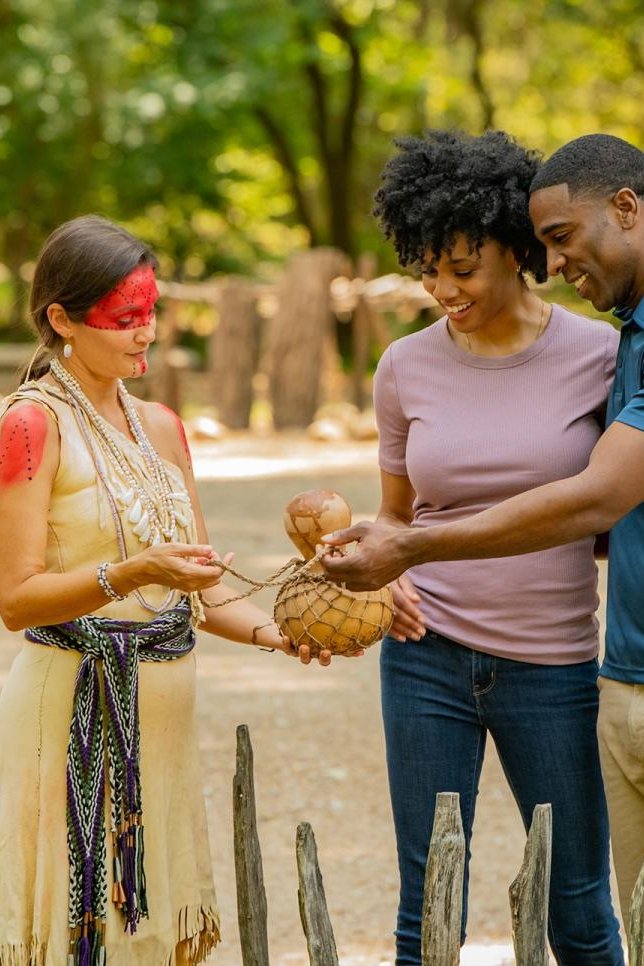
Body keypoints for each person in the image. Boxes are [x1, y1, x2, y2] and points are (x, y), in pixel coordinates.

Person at [322, 132, 644, 925]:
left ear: (514, 249)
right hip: (425, 659)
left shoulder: (603, 354)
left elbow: (605, 504)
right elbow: (398, 517)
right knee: (428, 897)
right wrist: (387, 569)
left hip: (556, 662)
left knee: (578, 903)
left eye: (460, 268)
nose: (441, 288)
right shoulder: (403, 367)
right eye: (426, 268)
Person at [0, 214, 334, 965]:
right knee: (74, 929)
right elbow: (15, 599)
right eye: (124, 319)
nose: (144, 333)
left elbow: (202, 589)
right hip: (68, 715)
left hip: (165, 728)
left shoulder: (164, 426)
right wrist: (130, 572)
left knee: (149, 935)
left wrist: (277, 633)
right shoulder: (29, 424)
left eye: (150, 314)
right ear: (61, 318)